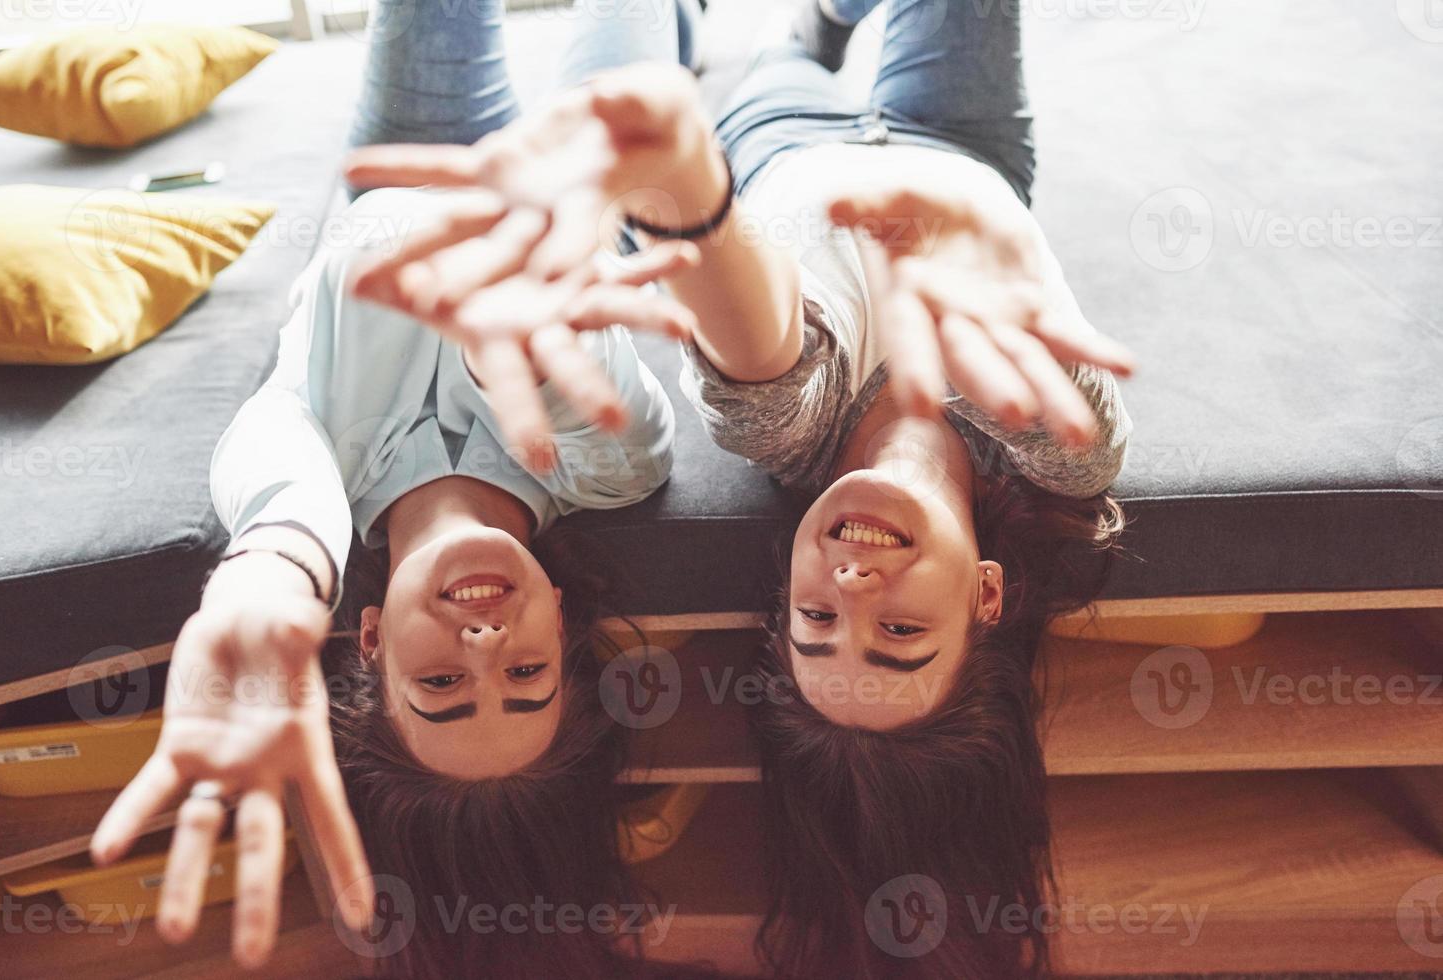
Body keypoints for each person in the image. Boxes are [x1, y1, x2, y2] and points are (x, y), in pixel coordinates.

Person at [346, 0, 1135, 974]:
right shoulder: (1054, 446)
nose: (850, 591)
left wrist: (685, 183)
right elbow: (1063, 383)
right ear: (983, 597)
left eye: (813, 619)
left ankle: (782, 32)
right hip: (961, 139)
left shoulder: (782, 423)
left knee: (752, 57)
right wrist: (993, 260)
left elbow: (755, 332)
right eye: (897, 634)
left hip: (777, 137)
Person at [88, 0, 704, 972]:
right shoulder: (611, 470)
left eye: (443, 684)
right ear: (558, 618)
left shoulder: (319, 466)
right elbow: (570, 359)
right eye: (526, 675)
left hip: (398, 161)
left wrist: (271, 574)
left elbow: (275, 447)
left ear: (369, 643)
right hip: (583, 169)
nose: (485, 645)